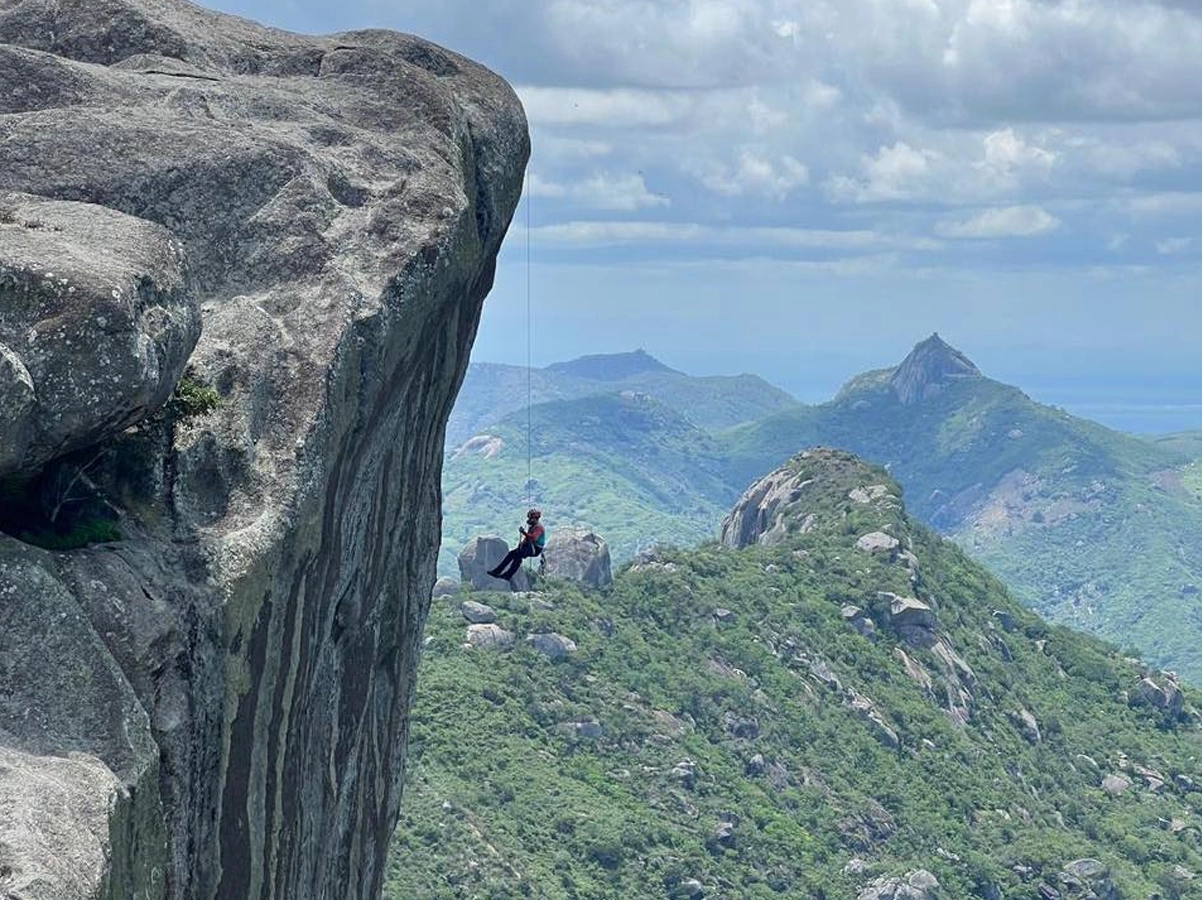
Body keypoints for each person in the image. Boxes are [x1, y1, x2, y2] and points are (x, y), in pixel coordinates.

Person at [488, 509, 546, 581]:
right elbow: (528, 538)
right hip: (530, 546)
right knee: (511, 554)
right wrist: (522, 544)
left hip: (535, 549)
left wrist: (523, 532)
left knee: (518, 556)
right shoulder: (532, 527)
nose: (529, 520)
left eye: (530, 518)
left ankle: (508, 575)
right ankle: (496, 571)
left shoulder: (539, 527)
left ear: (534, 519)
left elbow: (534, 538)